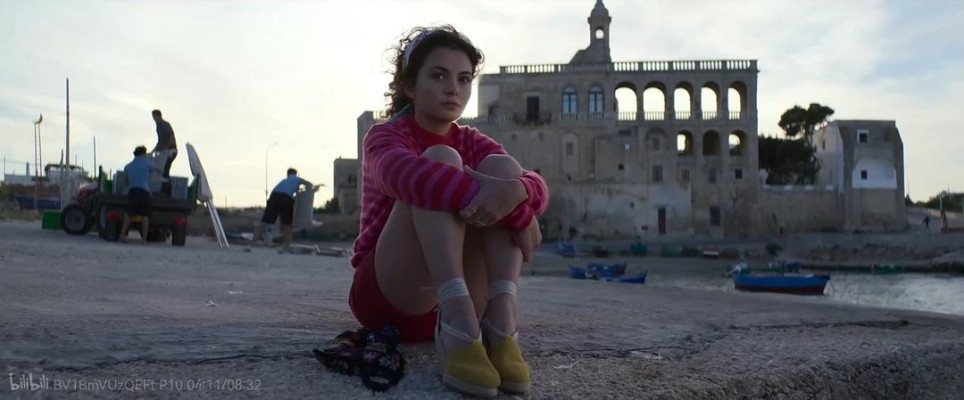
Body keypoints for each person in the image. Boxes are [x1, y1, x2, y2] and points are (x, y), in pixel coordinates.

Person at [348, 25, 548, 398]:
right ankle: (457, 325)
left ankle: (501, 324)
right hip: (391, 296)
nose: (453, 89)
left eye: (463, 79)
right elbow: (414, 180)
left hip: (460, 303)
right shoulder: (385, 137)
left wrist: (517, 192)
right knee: (440, 161)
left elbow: (534, 183)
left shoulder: (474, 141)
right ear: (409, 85)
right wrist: (518, 213)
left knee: (504, 170)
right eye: (439, 76)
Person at [253, 168, 312, 249]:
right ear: (295, 174)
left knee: (264, 222)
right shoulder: (297, 179)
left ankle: (252, 243)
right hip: (286, 198)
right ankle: (286, 246)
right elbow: (309, 184)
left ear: (287, 174)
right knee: (287, 224)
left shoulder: (283, 181)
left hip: (274, 196)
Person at [120, 146, 160, 243]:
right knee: (145, 216)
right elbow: (159, 170)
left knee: (128, 214)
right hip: (144, 192)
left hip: (133, 191)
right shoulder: (147, 164)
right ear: (143, 154)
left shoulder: (128, 166)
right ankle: (144, 239)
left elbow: (125, 181)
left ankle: (123, 234)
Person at [150, 109, 178, 196]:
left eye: (154, 116)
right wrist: (153, 151)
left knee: (165, 171)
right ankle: (163, 190)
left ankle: (166, 192)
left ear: (158, 116)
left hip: (170, 151)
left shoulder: (163, 125)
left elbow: (170, 137)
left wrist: (165, 148)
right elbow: (160, 142)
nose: (153, 118)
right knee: (163, 171)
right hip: (167, 150)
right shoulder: (160, 125)